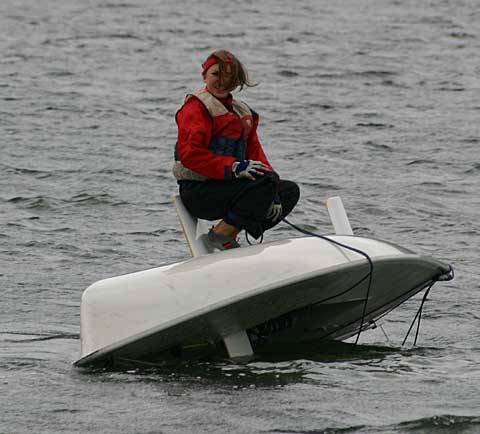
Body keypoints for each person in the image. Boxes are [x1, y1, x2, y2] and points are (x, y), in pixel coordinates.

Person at [173, 49, 300, 251]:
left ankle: (227, 234)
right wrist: (233, 167)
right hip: (199, 193)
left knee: (288, 191)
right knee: (264, 184)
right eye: (216, 74)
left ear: (237, 80)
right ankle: (221, 236)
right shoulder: (196, 108)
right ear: (204, 75)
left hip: (231, 189)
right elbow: (190, 154)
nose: (222, 80)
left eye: (229, 75)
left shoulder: (242, 112)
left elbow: (256, 155)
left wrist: (273, 191)